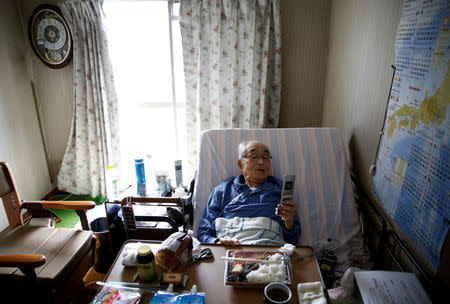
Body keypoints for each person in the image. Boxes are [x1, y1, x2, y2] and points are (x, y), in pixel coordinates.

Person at [197, 140, 300, 246]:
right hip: (232, 250)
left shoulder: (279, 189)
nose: (261, 162)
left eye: (265, 157)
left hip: (269, 252)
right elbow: (203, 234)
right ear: (241, 163)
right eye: (254, 156)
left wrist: (289, 221)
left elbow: (293, 240)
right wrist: (218, 242)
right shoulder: (223, 190)